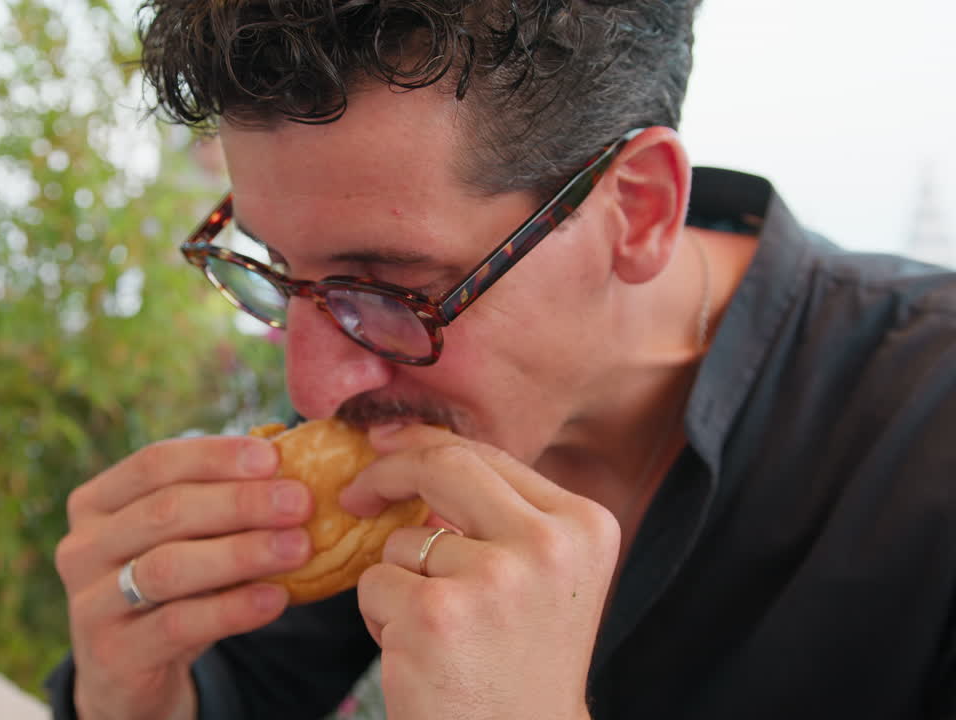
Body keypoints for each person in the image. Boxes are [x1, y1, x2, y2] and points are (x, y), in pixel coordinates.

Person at [46, 1, 956, 718]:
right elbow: (253, 690)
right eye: (277, 272)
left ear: (636, 210)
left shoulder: (925, 442)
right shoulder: (384, 383)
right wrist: (138, 701)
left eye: (391, 287)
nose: (312, 388)